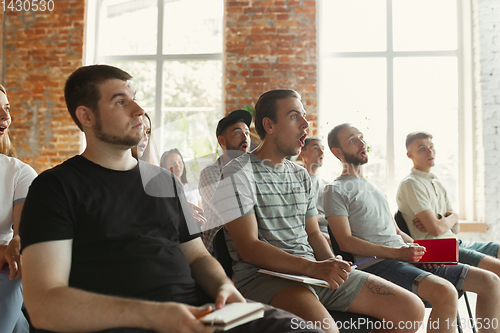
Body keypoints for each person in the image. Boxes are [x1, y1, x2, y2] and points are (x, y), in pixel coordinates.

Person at [19, 64, 326, 333]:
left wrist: (224, 287)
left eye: (136, 98)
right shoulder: (55, 187)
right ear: (86, 116)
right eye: (120, 102)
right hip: (129, 323)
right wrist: (156, 315)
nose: (139, 110)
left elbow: (197, 256)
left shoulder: (163, 180)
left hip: (200, 313)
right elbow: (44, 303)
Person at [214, 89, 425, 333]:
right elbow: (249, 247)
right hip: (266, 278)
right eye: (295, 117)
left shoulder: (300, 175)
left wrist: (330, 261)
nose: (305, 123)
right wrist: (313, 268)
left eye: (304, 116)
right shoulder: (237, 172)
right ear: (269, 125)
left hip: (312, 271)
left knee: (411, 309)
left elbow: (313, 234)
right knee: (326, 330)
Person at [325, 123, 500, 333]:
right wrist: (399, 253)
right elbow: (345, 241)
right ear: (337, 152)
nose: (362, 143)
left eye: (362, 137)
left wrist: (423, 252)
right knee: (445, 292)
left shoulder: (373, 187)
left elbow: (397, 233)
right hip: (376, 264)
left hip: (402, 256)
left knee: (490, 281)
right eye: (353, 140)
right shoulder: (335, 189)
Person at [397, 131, 500, 277]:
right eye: (422, 148)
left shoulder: (436, 182)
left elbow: (456, 227)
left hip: (455, 242)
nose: (430, 151)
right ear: (409, 155)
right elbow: (436, 229)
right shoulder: (411, 184)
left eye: (431, 146)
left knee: (498, 249)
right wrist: (450, 218)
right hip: (439, 249)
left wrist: (445, 218)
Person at [0, 84, 36, 333]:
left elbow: (24, 241)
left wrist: (10, 250)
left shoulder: (20, 173)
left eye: (7, 109)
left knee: (15, 269)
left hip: (5, 272)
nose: (5, 117)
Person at [198, 109, 252, 254]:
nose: (245, 137)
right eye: (237, 133)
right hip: (218, 252)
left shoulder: (253, 171)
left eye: (247, 133)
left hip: (249, 249)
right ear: (222, 140)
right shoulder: (210, 173)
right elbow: (228, 211)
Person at [299, 137, 330, 243]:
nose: (322, 152)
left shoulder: (328, 185)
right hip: (309, 238)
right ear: (302, 153)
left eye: (323, 148)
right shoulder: (296, 182)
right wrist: (320, 235)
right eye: (316, 148)